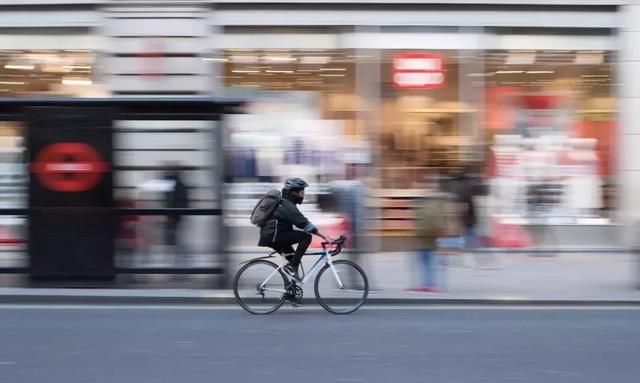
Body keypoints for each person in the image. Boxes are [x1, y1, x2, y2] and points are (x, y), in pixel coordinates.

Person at [258, 177, 330, 280]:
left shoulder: (286, 203)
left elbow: (301, 222)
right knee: (306, 237)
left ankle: (290, 293)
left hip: (274, 235)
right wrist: (325, 236)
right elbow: (305, 225)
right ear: (294, 192)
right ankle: (292, 268)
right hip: (274, 236)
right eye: (302, 191)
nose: (303, 194)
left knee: (294, 261)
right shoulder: (287, 206)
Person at [163, 166, 190, 267]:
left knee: (175, 237)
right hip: (178, 215)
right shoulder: (181, 185)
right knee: (177, 236)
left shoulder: (175, 186)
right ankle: (180, 256)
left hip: (174, 216)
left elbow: (172, 202)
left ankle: (179, 256)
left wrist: (170, 216)